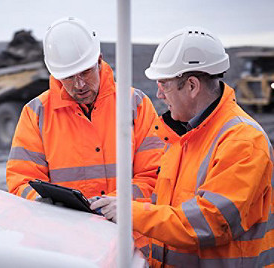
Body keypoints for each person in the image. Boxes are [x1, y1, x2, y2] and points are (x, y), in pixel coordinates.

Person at [91, 27, 274, 267]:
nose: (158, 94)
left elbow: (209, 221)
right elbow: (163, 206)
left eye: (164, 84)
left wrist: (128, 213)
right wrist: (108, 203)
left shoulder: (243, 140)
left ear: (192, 86)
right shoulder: (182, 136)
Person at [6, 17, 163, 205]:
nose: (79, 84)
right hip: (66, 231)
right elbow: (21, 181)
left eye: (86, 72)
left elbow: (155, 176)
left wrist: (113, 204)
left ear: (99, 61)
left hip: (126, 230)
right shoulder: (36, 113)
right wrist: (44, 204)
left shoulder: (135, 104)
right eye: (69, 77)